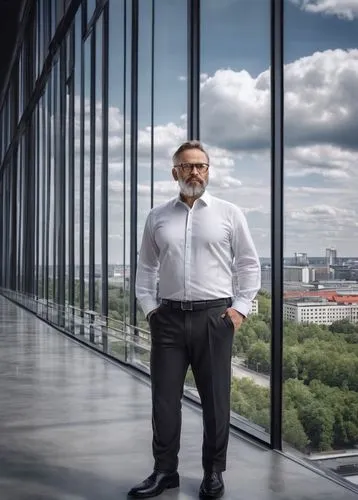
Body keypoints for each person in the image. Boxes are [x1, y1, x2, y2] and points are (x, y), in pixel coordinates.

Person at [128, 140, 261, 499]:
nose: (194, 172)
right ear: (175, 172)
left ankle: (214, 473)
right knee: (164, 400)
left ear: (208, 171)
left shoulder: (229, 213)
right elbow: (145, 269)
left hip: (215, 318)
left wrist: (240, 310)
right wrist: (150, 310)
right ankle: (164, 471)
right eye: (187, 166)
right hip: (168, 319)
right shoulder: (157, 216)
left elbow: (248, 264)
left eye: (201, 166)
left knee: (216, 401)